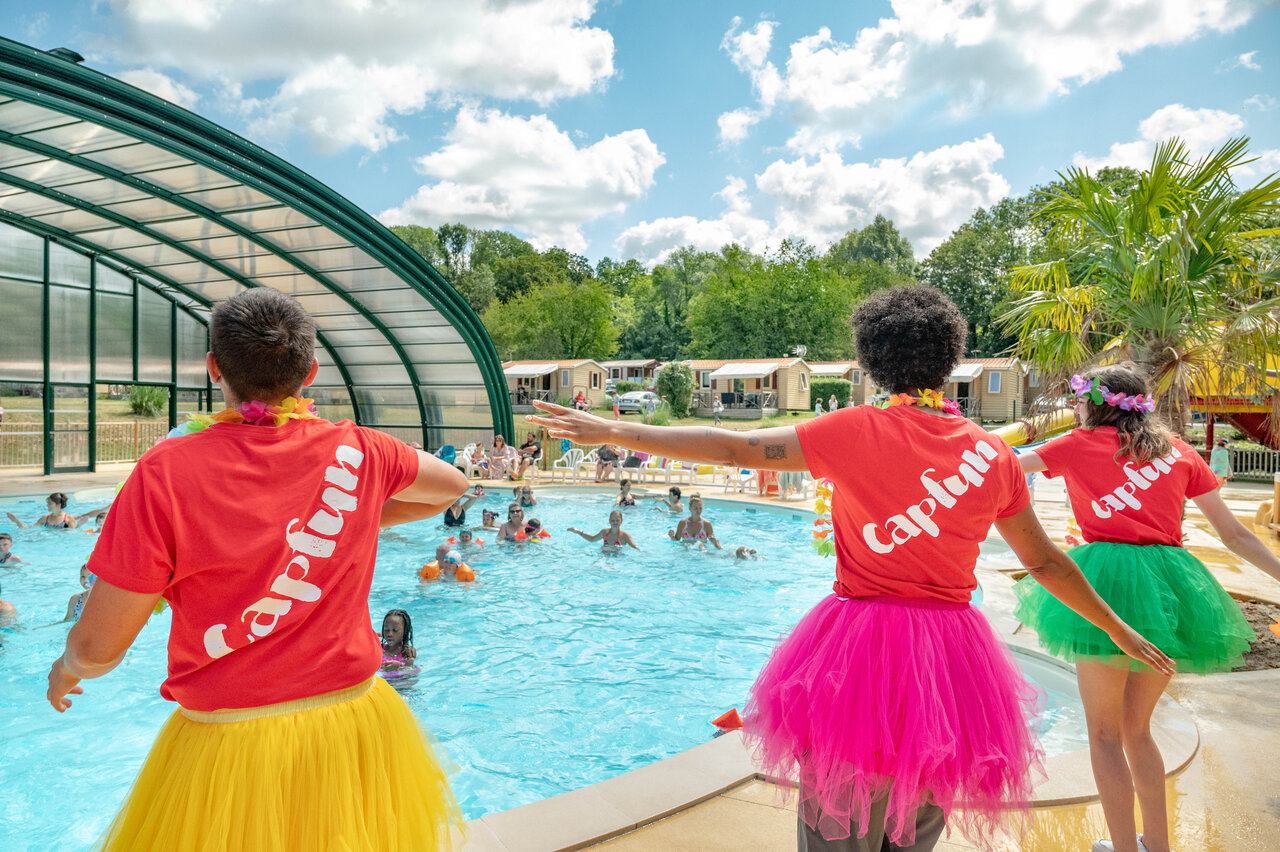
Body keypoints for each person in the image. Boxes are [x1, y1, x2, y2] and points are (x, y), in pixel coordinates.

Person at [528, 284, 1171, 850]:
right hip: (948, 660)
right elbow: (1048, 563)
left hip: (855, 651)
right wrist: (1117, 628)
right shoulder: (991, 456)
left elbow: (732, 445)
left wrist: (615, 432)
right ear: (949, 360)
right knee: (917, 821)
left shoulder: (849, 430)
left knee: (836, 822)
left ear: (871, 358)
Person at [45, 288, 466, 851]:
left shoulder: (164, 473)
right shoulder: (361, 450)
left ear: (215, 368)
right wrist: (358, 518)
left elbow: (100, 649)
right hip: (358, 726)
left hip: (229, 749)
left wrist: (69, 667)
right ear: (310, 372)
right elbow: (452, 487)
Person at [1013, 364, 1280, 852]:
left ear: (1094, 403)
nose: (1074, 409)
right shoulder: (1178, 451)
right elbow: (1235, 534)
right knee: (1138, 731)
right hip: (1171, 590)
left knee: (1103, 735)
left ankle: (1123, 847)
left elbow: (1001, 467)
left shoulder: (1074, 444)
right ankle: (1157, 845)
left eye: (1077, 400)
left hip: (1105, 587)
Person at [568, 510, 639, 551]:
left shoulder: (625, 536)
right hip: (604, 557)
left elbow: (635, 548)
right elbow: (592, 539)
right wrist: (577, 531)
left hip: (618, 559)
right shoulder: (605, 532)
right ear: (609, 521)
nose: (615, 522)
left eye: (617, 520)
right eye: (613, 520)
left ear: (621, 521)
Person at [7, 492, 77, 529]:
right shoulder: (44, 519)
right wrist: (16, 521)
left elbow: (72, 536)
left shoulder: (68, 518)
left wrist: (79, 525)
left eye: (50, 503)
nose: (47, 505)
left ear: (58, 504)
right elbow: (27, 529)